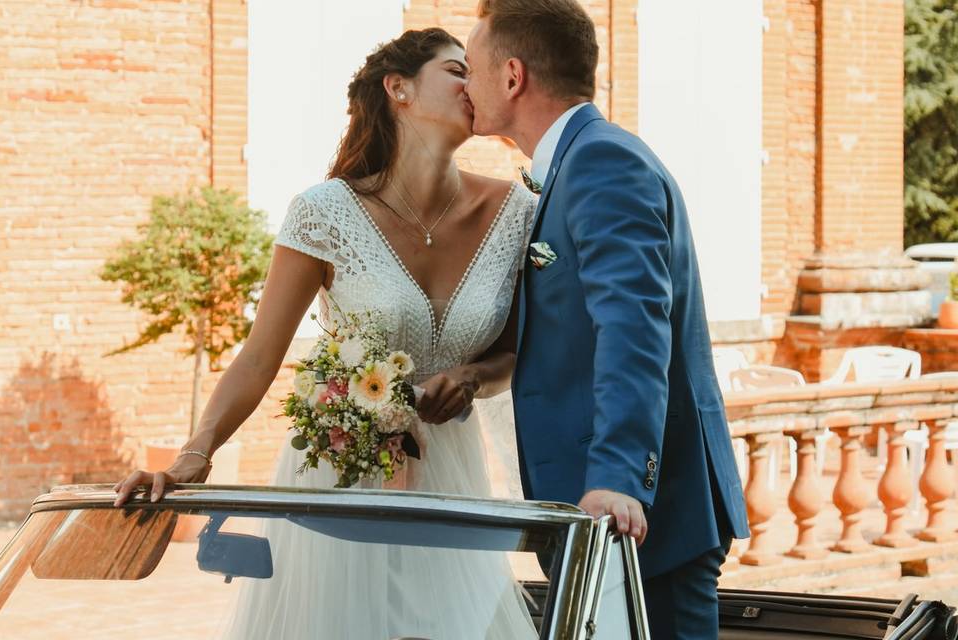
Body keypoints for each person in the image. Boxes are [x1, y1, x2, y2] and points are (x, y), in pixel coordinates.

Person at [113, 28, 538, 639]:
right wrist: (193, 456)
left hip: (450, 477)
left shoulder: (516, 213)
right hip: (339, 476)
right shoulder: (322, 212)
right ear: (400, 89)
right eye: (456, 70)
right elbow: (260, 357)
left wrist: (473, 377)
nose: (475, 84)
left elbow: (517, 355)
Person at [464, 1, 750, 637]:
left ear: (512, 77)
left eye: (472, 69)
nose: (464, 84)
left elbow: (634, 327)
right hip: (596, 520)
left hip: (642, 522)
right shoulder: (577, 162)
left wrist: (618, 479)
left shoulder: (601, 163)